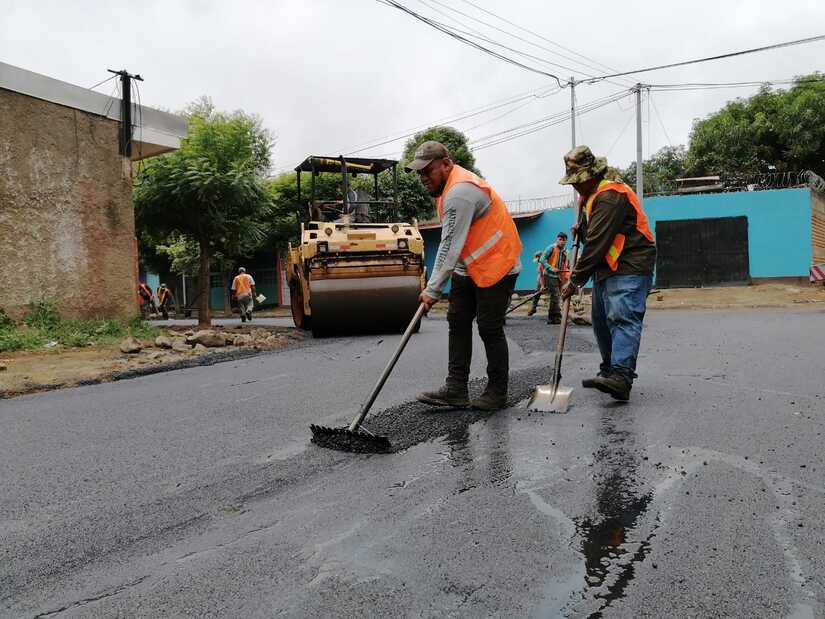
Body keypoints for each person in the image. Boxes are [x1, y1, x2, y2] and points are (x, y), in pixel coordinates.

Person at [407, 141, 522, 411]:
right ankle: (456, 389)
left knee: (488, 326)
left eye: (428, 171)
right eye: (420, 173)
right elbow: (457, 246)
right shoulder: (447, 189)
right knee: (457, 320)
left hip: (498, 264)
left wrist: (432, 290)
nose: (423, 178)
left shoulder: (460, 192)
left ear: (446, 164)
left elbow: (448, 245)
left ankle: (497, 392)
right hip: (468, 267)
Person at [559, 146, 656, 402]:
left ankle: (621, 377)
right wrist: (581, 226)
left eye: (578, 181)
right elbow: (591, 231)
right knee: (601, 321)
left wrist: (575, 280)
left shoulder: (611, 193)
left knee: (622, 317)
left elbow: (597, 243)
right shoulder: (588, 196)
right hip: (607, 268)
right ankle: (610, 370)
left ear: (591, 175)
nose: (575, 187)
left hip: (630, 263)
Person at [529, 232, 569, 323]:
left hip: (558, 276)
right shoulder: (551, 248)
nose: (562, 242)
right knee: (555, 295)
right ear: (557, 239)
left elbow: (565, 264)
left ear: (566, 241)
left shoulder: (565, 251)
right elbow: (542, 259)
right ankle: (553, 317)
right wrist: (551, 268)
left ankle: (555, 316)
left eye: (564, 240)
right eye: (560, 239)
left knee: (556, 296)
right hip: (549, 275)